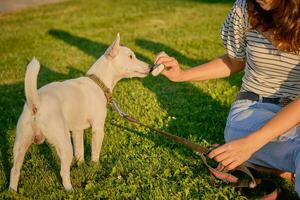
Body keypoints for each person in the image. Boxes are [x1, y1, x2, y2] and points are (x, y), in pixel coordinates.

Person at [154, 0, 300, 196]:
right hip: (253, 109)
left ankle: (267, 169)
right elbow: (234, 62)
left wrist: (251, 145)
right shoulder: (243, 9)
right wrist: (182, 75)